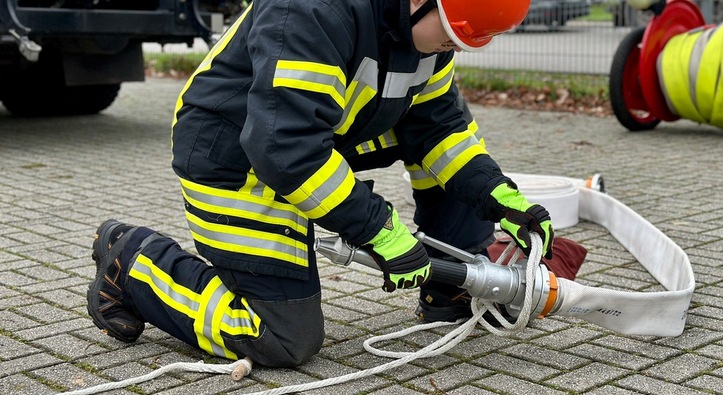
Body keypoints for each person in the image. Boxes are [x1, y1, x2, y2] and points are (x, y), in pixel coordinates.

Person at [87, 0, 554, 368]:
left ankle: (451, 292)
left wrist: (499, 196)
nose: (455, 49)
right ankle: (133, 261)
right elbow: (284, 149)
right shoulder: (314, 9)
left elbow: (439, 130)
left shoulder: (427, 35)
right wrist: (377, 229)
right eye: (453, 36)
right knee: (281, 338)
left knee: (439, 158)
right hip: (235, 155)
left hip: (316, 140)